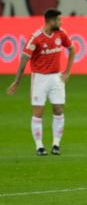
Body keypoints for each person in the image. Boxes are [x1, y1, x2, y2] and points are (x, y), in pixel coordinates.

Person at [6, 8, 75, 156]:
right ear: (51, 21)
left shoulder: (61, 33)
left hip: (57, 78)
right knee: (38, 113)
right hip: (40, 79)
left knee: (59, 110)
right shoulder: (36, 38)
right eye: (58, 19)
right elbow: (24, 60)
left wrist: (67, 71)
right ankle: (39, 146)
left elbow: (72, 49)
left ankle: (56, 144)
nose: (61, 22)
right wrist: (16, 82)